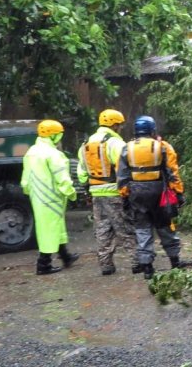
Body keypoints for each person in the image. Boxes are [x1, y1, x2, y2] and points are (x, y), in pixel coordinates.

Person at [116, 115, 192, 280]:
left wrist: (124, 195)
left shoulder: (126, 148)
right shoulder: (162, 146)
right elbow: (172, 171)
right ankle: (175, 261)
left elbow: (122, 175)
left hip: (136, 193)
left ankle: (148, 268)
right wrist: (178, 193)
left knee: (142, 230)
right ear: (152, 129)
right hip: (159, 192)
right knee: (165, 227)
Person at [77, 109, 139, 276]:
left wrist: (88, 190)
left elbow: (82, 173)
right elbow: (123, 168)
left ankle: (106, 265)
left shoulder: (85, 145)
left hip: (96, 193)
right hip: (114, 192)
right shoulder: (115, 144)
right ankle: (137, 261)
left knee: (103, 229)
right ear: (115, 124)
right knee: (125, 227)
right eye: (120, 125)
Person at [20, 119, 80, 275]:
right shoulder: (53, 154)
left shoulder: (31, 152)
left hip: (37, 196)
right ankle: (43, 264)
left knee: (54, 226)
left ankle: (65, 256)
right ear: (54, 136)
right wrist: (72, 193)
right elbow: (62, 178)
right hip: (52, 197)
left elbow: (25, 179)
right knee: (49, 228)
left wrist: (30, 192)